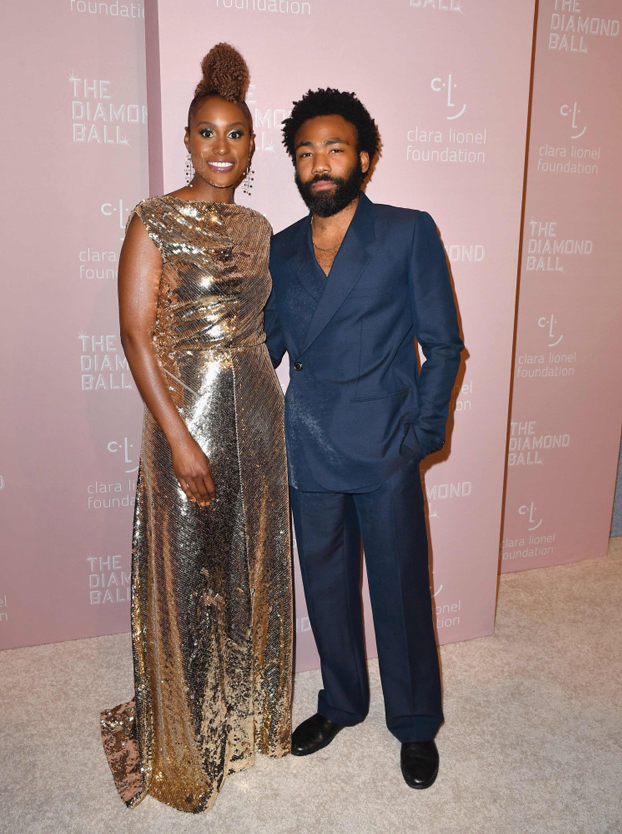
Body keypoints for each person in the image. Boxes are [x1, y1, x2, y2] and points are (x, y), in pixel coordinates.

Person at [100, 43, 292, 814]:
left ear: (251, 145)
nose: (222, 147)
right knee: (187, 576)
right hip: (184, 419)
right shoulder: (153, 220)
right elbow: (134, 336)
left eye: (235, 134)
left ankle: (243, 722)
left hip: (258, 414)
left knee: (249, 566)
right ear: (187, 138)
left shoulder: (259, 228)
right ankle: (186, 742)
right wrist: (179, 438)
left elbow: (261, 328)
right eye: (207, 132)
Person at [265, 88, 463, 790]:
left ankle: (415, 721)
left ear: (366, 159)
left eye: (335, 149)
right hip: (309, 446)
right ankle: (342, 702)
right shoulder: (280, 248)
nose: (319, 164)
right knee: (326, 588)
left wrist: (422, 435)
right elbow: (265, 351)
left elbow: (443, 344)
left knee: (400, 589)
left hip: (385, 446)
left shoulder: (407, 232)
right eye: (306, 153)